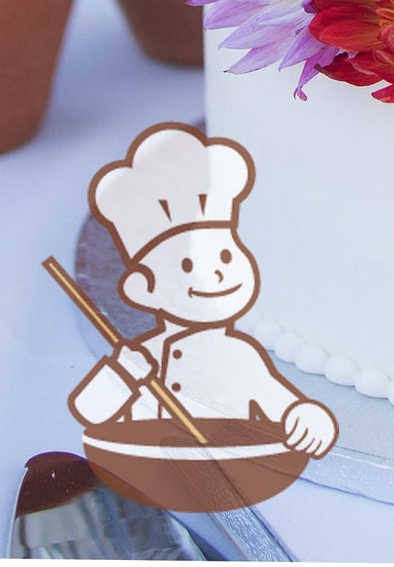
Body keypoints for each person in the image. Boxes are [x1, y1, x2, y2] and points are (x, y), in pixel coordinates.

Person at [68, 122, 337, 455]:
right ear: (143, 290)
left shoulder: (240, 356)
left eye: (224, 255)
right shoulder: (145, 354)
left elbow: (285, 406)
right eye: (188, 264)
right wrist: (123, 370)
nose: (218, 272)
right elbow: (91, 411)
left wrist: (307, 417)